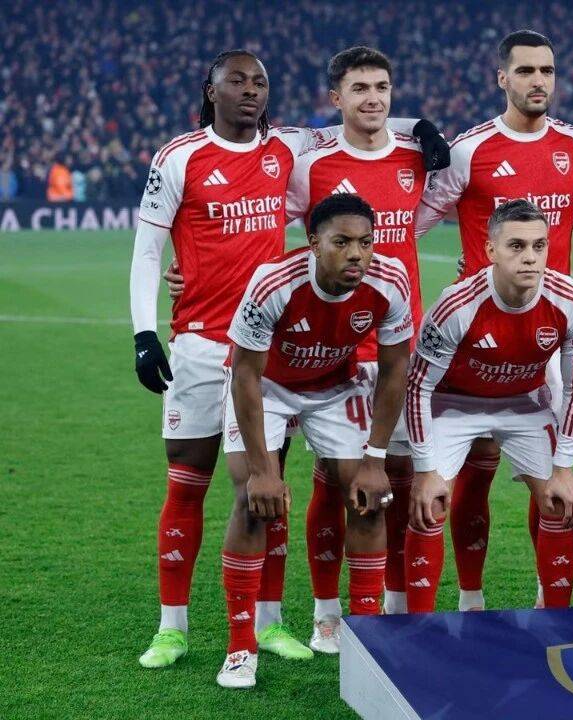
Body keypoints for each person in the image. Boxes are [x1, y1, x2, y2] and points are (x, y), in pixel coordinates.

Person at [131, 49, 327, 668]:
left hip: (264, 354)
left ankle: (267, 623)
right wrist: (143, 333)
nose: (251, 90)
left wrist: (419, 129)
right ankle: (172, 627)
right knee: (186, 483)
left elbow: (356, 125)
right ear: (210, 90)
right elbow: (147, 249)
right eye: (237, 80)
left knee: (266, 486)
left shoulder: (286, 149)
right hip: (197, 344)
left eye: (260, 81)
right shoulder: (179, 156)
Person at [414, 30, 573, 611]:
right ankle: (470, 598)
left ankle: (549, 600)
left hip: (551, 337)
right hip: (477, 335)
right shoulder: (471, 150)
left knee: (559, 482)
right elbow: (411, 221)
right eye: (525, 71)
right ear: (502, 79)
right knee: (474, 475)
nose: (538, 81)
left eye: (547, 70)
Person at [217, 193, 413, 688]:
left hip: (334, 387)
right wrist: (263, 471)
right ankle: (240, 648)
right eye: (341, 242)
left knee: (369, 497)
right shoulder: (274, 283)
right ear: (313, 242)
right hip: (267, 388)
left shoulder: (390, 281)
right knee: (252, 500)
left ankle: (365, 639)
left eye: (365, 243)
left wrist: (374, 460)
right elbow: (245, 375)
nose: (356, 254)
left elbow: (395, 371)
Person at [285, 45, 427, 645]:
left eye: (382, 87)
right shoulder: (312, 166)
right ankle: (326, 611)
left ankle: (392, 604)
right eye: (359, 88)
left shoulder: (418, 156)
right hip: (337, 351)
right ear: (335, 98)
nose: (373, 98)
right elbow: (271, 231)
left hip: (400, 347)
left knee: (397, 479)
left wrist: (419, 127)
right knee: (332, 480)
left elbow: (434, 213)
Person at [403, 199, 573, 611]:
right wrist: (424, 470)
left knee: (560, 500)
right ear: (490, 250)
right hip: (454, 404)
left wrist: (564, 468)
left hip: (524, 403)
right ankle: (430, 621)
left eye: (539, 246)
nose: (530, 257)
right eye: (516, 246)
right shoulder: (456, 305)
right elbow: (418, 387)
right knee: (430, 503)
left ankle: (554, 619)